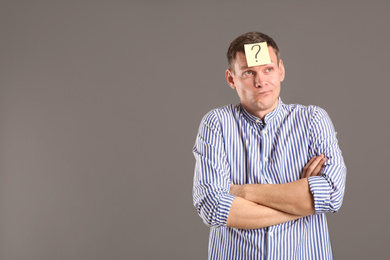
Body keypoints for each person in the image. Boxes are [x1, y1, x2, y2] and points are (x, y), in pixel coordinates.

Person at [192, 31, 346, 259]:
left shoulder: (313, 119)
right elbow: (213, 208)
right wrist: (301, 205)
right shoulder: (216, 124)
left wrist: (243, 191)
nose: (260, 81)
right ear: (231, 78)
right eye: (248, 73)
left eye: (268, 69)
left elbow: (332, 194)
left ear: (281, 70)